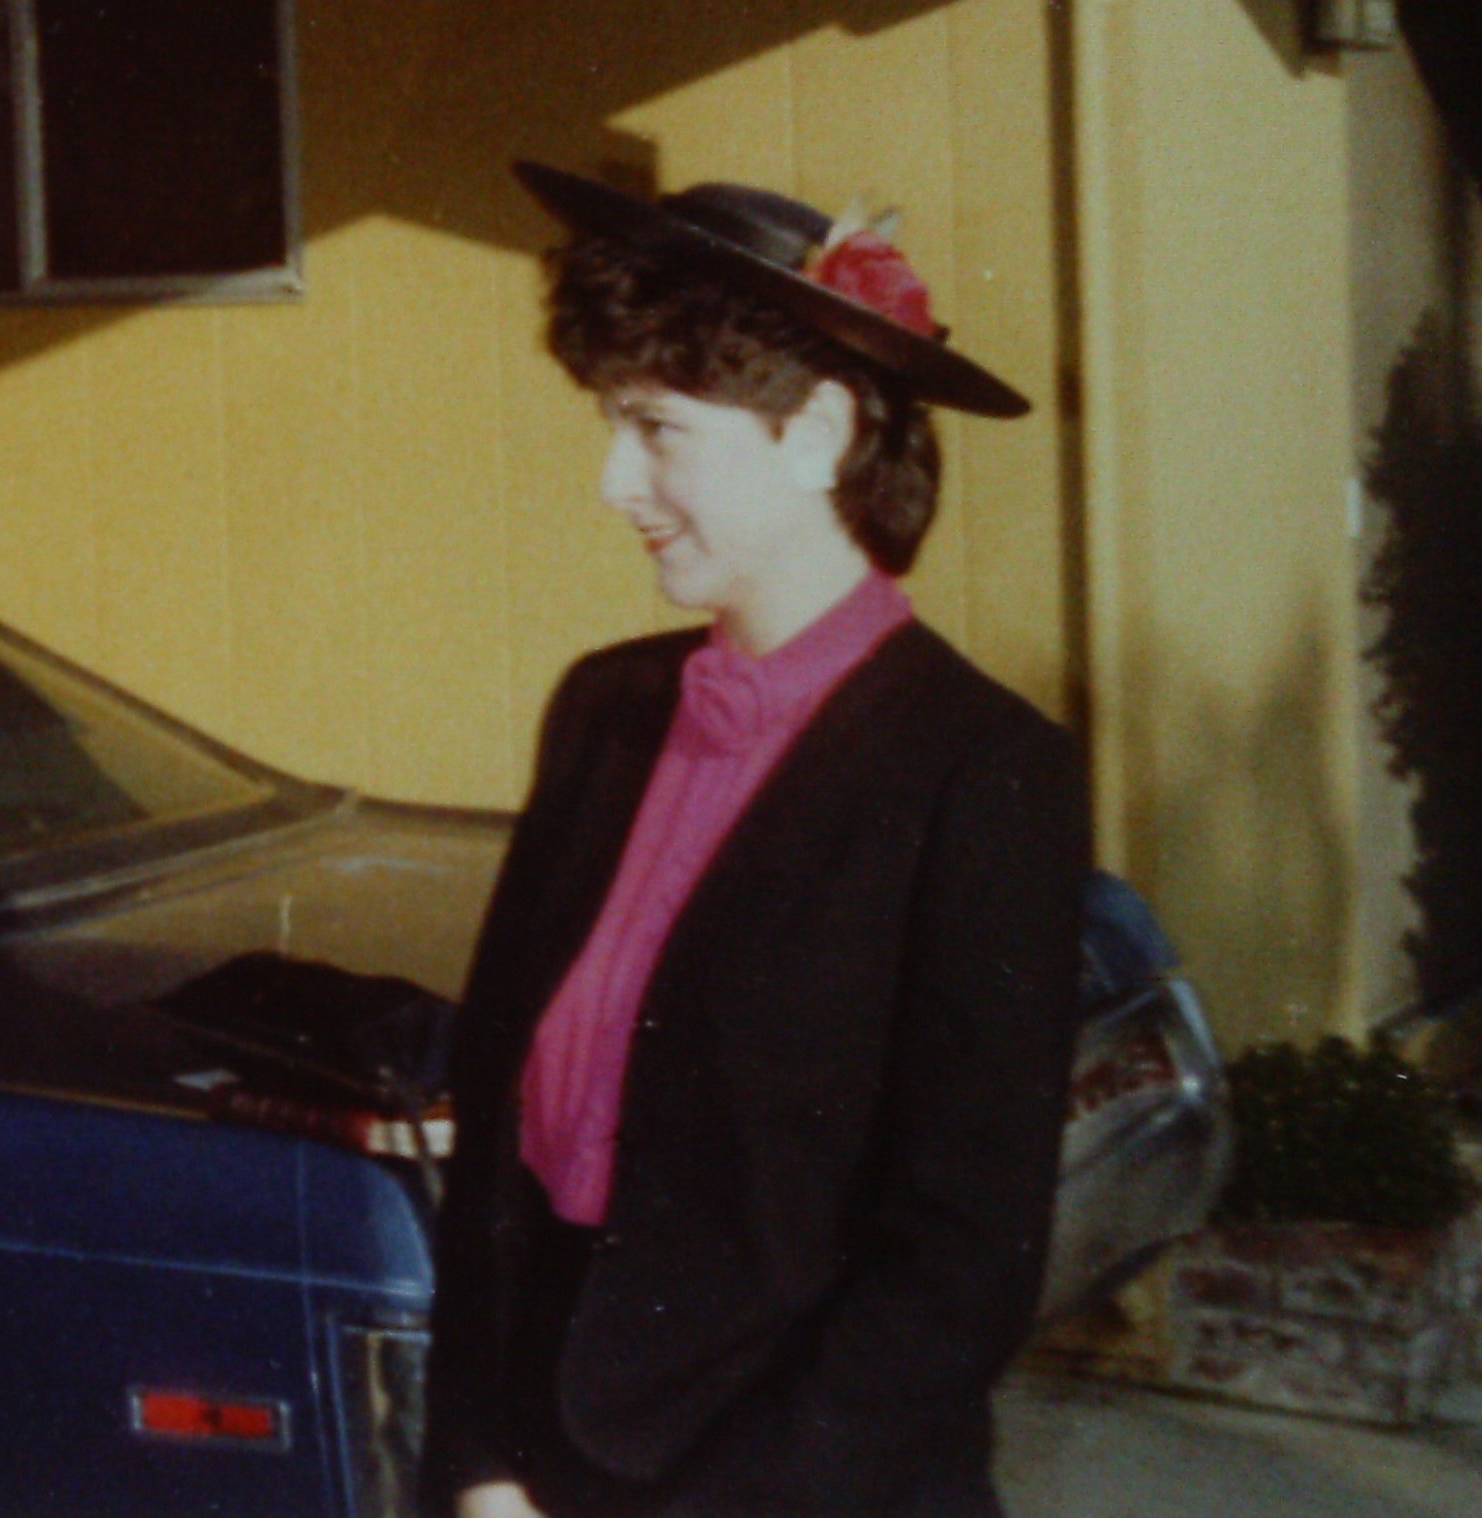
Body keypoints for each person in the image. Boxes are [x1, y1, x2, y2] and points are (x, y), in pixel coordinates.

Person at [421, 164, 1091, 1518]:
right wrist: (478, 1463)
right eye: (610, 423)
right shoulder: (604, 712)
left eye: (657, 429)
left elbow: (959, 1267)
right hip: (543, 1468)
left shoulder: (980, 771)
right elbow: (492, 1127)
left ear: (817, 431)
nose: (613, 481)